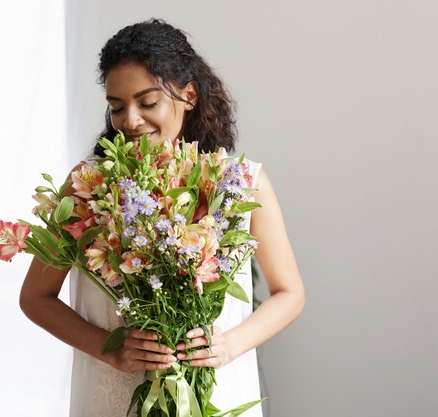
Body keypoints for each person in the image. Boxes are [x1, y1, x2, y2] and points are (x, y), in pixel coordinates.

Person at [19, 18, 305, 417]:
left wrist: (231, 345)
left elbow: (290, 294)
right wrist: (113, 348)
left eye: (147, 102)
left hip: (215, 393)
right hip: (113, 398)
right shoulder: (88, 186)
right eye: (117, 106)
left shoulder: (240, 184)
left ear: (188, 96)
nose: (130, 120)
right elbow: (35, 297)